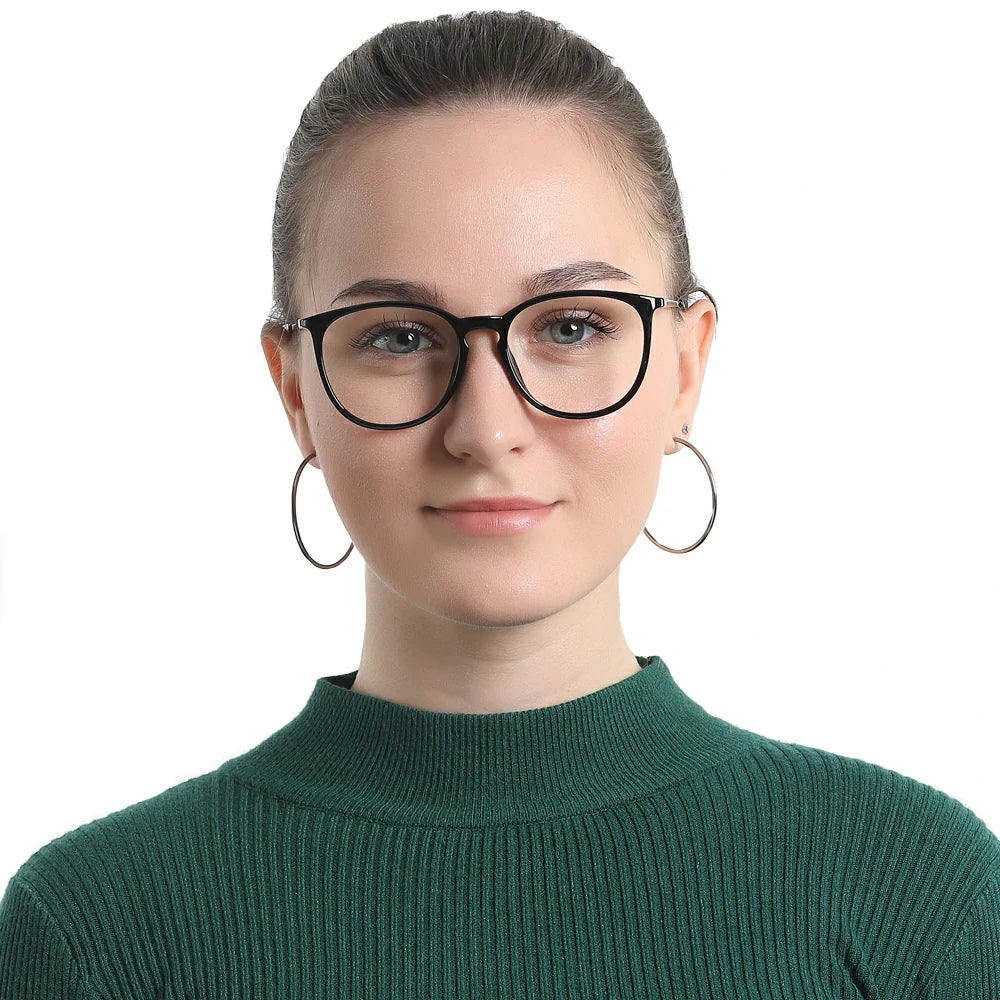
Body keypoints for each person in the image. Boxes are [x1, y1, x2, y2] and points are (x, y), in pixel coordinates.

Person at [0, 9, 997, 998]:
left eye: (571, 326)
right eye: (397, 335)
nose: (485, 427)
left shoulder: (917, 897)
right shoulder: (96, 932)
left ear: (685, 369)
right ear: (296, 390)